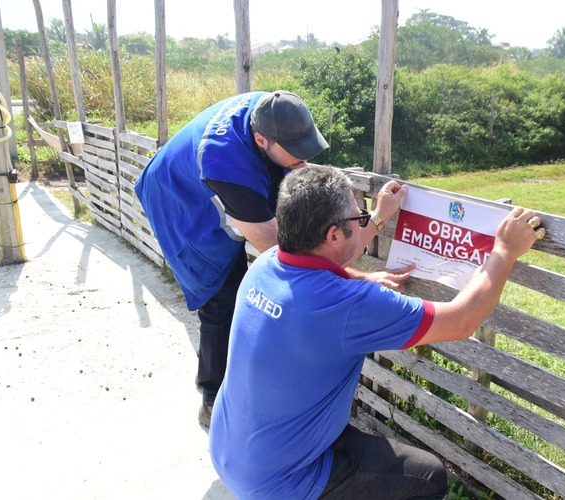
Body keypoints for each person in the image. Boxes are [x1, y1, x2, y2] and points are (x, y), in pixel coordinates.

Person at [209, 165, 544, 499]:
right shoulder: (351, 306)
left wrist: (380, 219)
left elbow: (325, 267)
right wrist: (504, 251)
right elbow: (463, 319)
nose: (362, 221)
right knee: (428, 478)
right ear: (334, 235)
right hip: (282, 482)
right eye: (359, 218)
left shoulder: (268, 265)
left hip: (230, 450)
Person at [134, 91, 408, 427]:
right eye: (297, 153)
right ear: (262, 139)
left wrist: (374, 217)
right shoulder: (227, 166)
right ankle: (212, 399)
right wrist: (363, 272)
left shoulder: (274, 110)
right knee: (220, 297)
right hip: (178, 202)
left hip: (208, 178)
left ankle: (234, 376)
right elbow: (292, 257)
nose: (304, 161)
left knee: (243, 283)